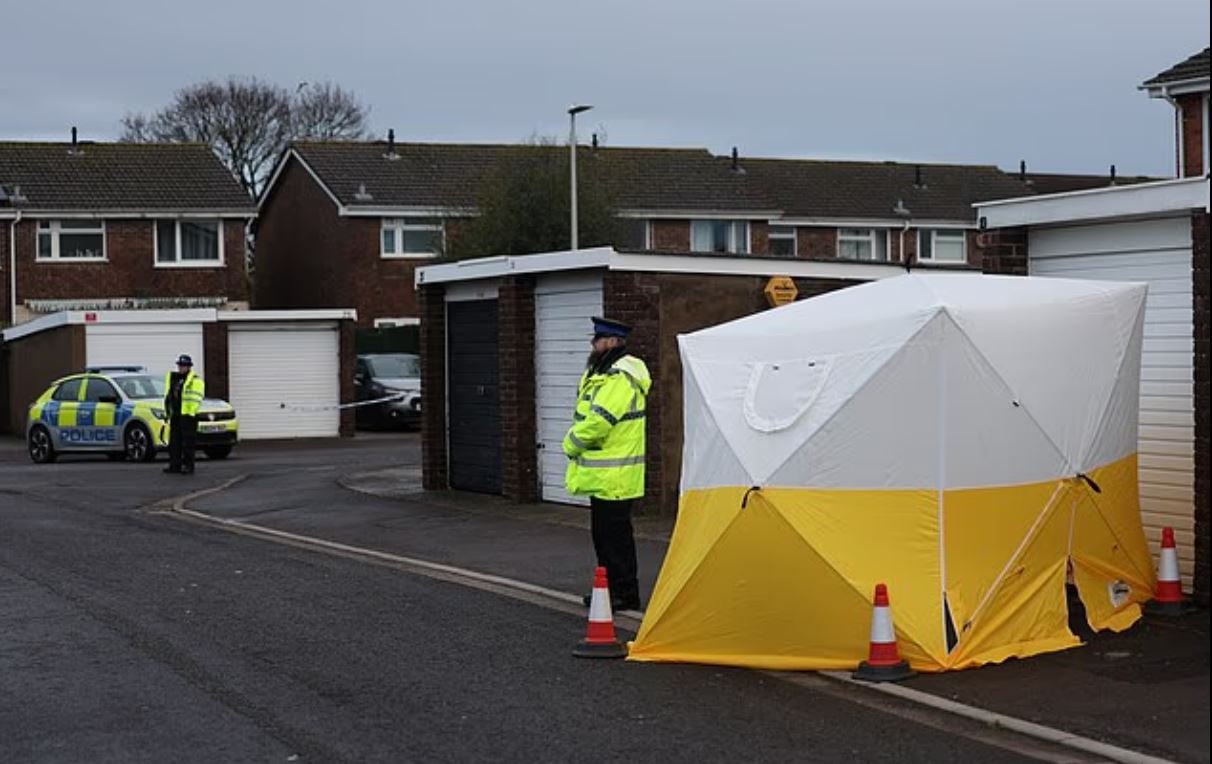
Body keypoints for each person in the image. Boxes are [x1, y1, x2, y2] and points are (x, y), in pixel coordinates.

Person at [563, 316, 651, 612]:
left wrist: (570, 444)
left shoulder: (618, 377)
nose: (594, 344)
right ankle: (611, 591)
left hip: (615, 476)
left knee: (614, 540)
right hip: (605, 476)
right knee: (606, 537)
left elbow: (599, 421)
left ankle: (624, 594)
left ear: (612, 342)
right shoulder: (605, 373)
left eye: (598, 340)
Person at [163, 354, 205, 475]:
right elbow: (169, 396)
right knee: (174, 442)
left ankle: (188, 466)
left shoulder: (195, 380)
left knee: (188, 443)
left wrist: (191, 413)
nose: (181, 368)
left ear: (189, 367)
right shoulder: (174, 379)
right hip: (175, 414)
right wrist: (168, 412)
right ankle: (174, 465)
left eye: (184, 366)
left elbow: (196, 398)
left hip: (188, 415)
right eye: (180, 365)